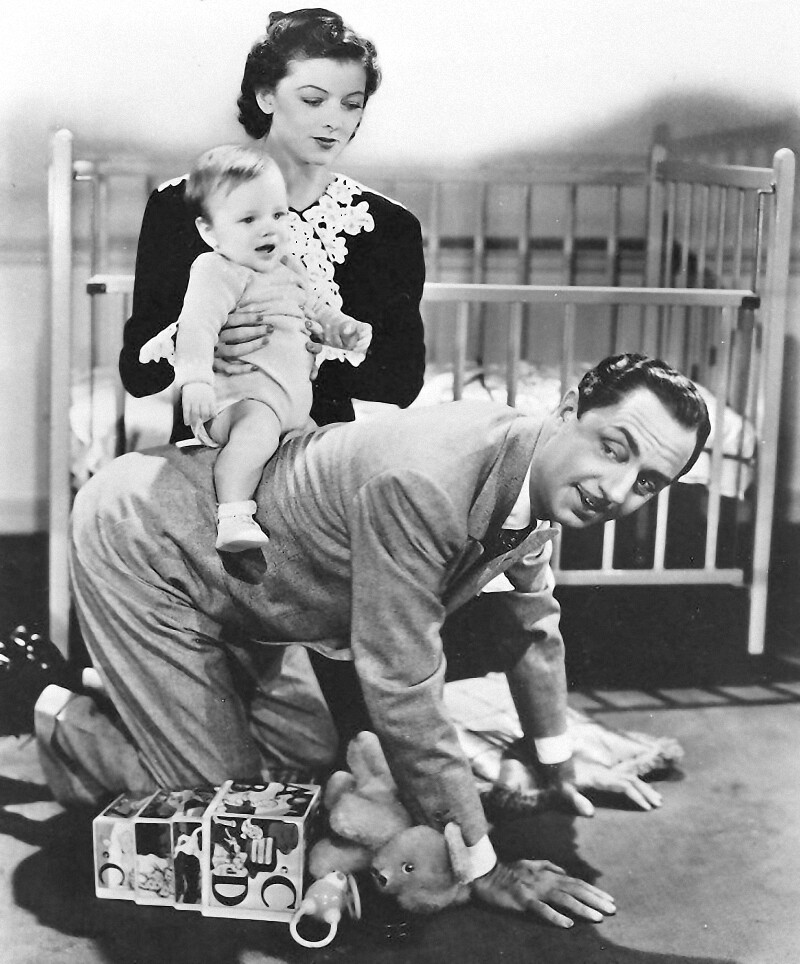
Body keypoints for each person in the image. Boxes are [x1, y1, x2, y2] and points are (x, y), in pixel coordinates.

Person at [52, 353, 709, 926]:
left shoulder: (534, 476)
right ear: (567, 411)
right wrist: (481, 868)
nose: (617, 490)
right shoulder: (429, 479)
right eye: (614, 448)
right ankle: (63, 718)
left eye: (647, 481)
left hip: (252, 590)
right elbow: (402, 682)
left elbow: (533, 627)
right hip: (149, 544)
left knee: (312, 764)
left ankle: (141, 691)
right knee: (245, 830)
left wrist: (558, 766)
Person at [119, 8, 425, 436]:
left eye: (351, 104)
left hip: (322, 451)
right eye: (313, 100)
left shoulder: (389, 226)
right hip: (213, 445)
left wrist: (306, 348)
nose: (334, 120)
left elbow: (403, 382)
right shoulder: (182, 205)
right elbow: (137, 373)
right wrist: (201, 344)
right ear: (266, 96)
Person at [140, 144, 371, 551]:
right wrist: (195, 382)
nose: (269, 229)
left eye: (278, 215)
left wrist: (342, 329)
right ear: (209, 232)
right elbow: (197, 327)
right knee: (257, 433)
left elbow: (317, 310)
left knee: (324, 448)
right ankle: (233, 514)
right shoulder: (217, 269)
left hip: (291, 407)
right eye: (249, 219)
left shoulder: (289, 267)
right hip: (238, 404)